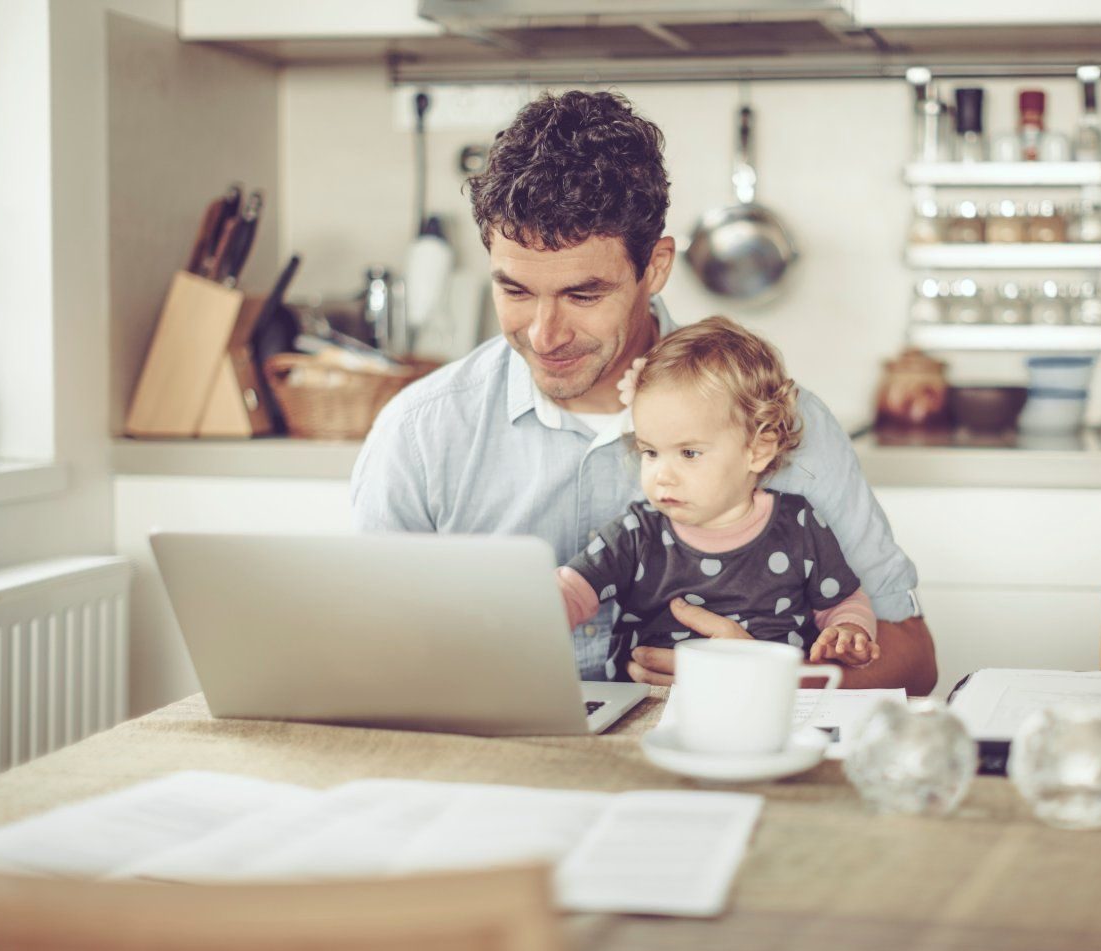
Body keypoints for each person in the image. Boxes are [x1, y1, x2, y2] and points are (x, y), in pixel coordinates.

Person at [351, 89, 937, 695]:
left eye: (583, 295)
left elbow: (915, 662)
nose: (544, 335)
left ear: (655, 267)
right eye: (516, 291)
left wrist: (775, 677)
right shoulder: (420, 433)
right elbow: (364, 648)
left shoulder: (780, 423)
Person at [558, 317, 879, 680]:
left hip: (765, 708)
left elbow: (844, 602)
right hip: (646, 711)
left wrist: (849, 632)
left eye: (689, 453)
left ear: (757, 449)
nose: (662, 474)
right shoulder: (635, 534)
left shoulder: (798, 526)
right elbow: (570, 591)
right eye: (650, 452)